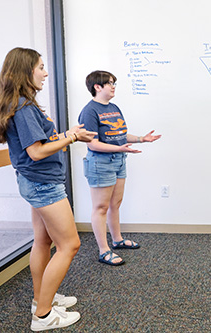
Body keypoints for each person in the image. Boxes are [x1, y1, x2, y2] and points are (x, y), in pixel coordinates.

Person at [0, 47, 96, 331]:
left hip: (36, 183)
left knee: (43, 242)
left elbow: (42, 143)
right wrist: (72, 137)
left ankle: (42, 299)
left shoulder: (22, 103)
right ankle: (42, 315)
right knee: (70, 244)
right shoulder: (24, 108)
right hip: (43, 185)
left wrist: (69, 135)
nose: (45, 72)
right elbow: (36, 152)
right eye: (40, 67)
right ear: (25, 71)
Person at [78, 70, 161, 266]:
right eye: (109, 83)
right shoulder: (89, 111)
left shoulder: (114, 107)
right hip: (100, 162)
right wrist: (119, 148)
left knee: (115, 203)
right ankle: (103, 250)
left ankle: (117, 240)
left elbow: (120, 135)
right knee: (100, 207)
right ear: (97, 87)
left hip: (119, 160)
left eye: (114, 82)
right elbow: (92, 144)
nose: (113, 86)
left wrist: (142, 139)